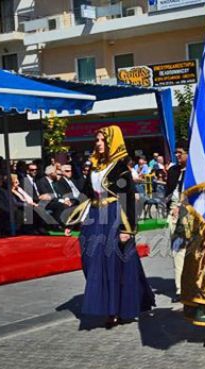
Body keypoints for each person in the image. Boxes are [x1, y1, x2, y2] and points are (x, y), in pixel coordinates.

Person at [65, 125, 155, 328]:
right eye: (96, 140)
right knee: (90, 260)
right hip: (94, 217)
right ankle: (107, 304)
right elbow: (87, 194)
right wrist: (73, 219)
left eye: (102, 140)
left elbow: (128, 199)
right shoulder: (95, 166)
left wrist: (127, 229)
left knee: (112, 264)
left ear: (112, 142)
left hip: (114, 217)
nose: (98, 144)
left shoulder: (120, 168)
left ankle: (113, 310)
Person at [165, 142, 188, 303]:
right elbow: (168, 191)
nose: (177, 155)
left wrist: (182, 206)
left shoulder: (195, 171)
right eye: (176, 153)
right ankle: (180, 288)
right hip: (173, 213)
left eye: (180, 152)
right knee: (177, 251)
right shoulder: (173, 171)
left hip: (189, 213)